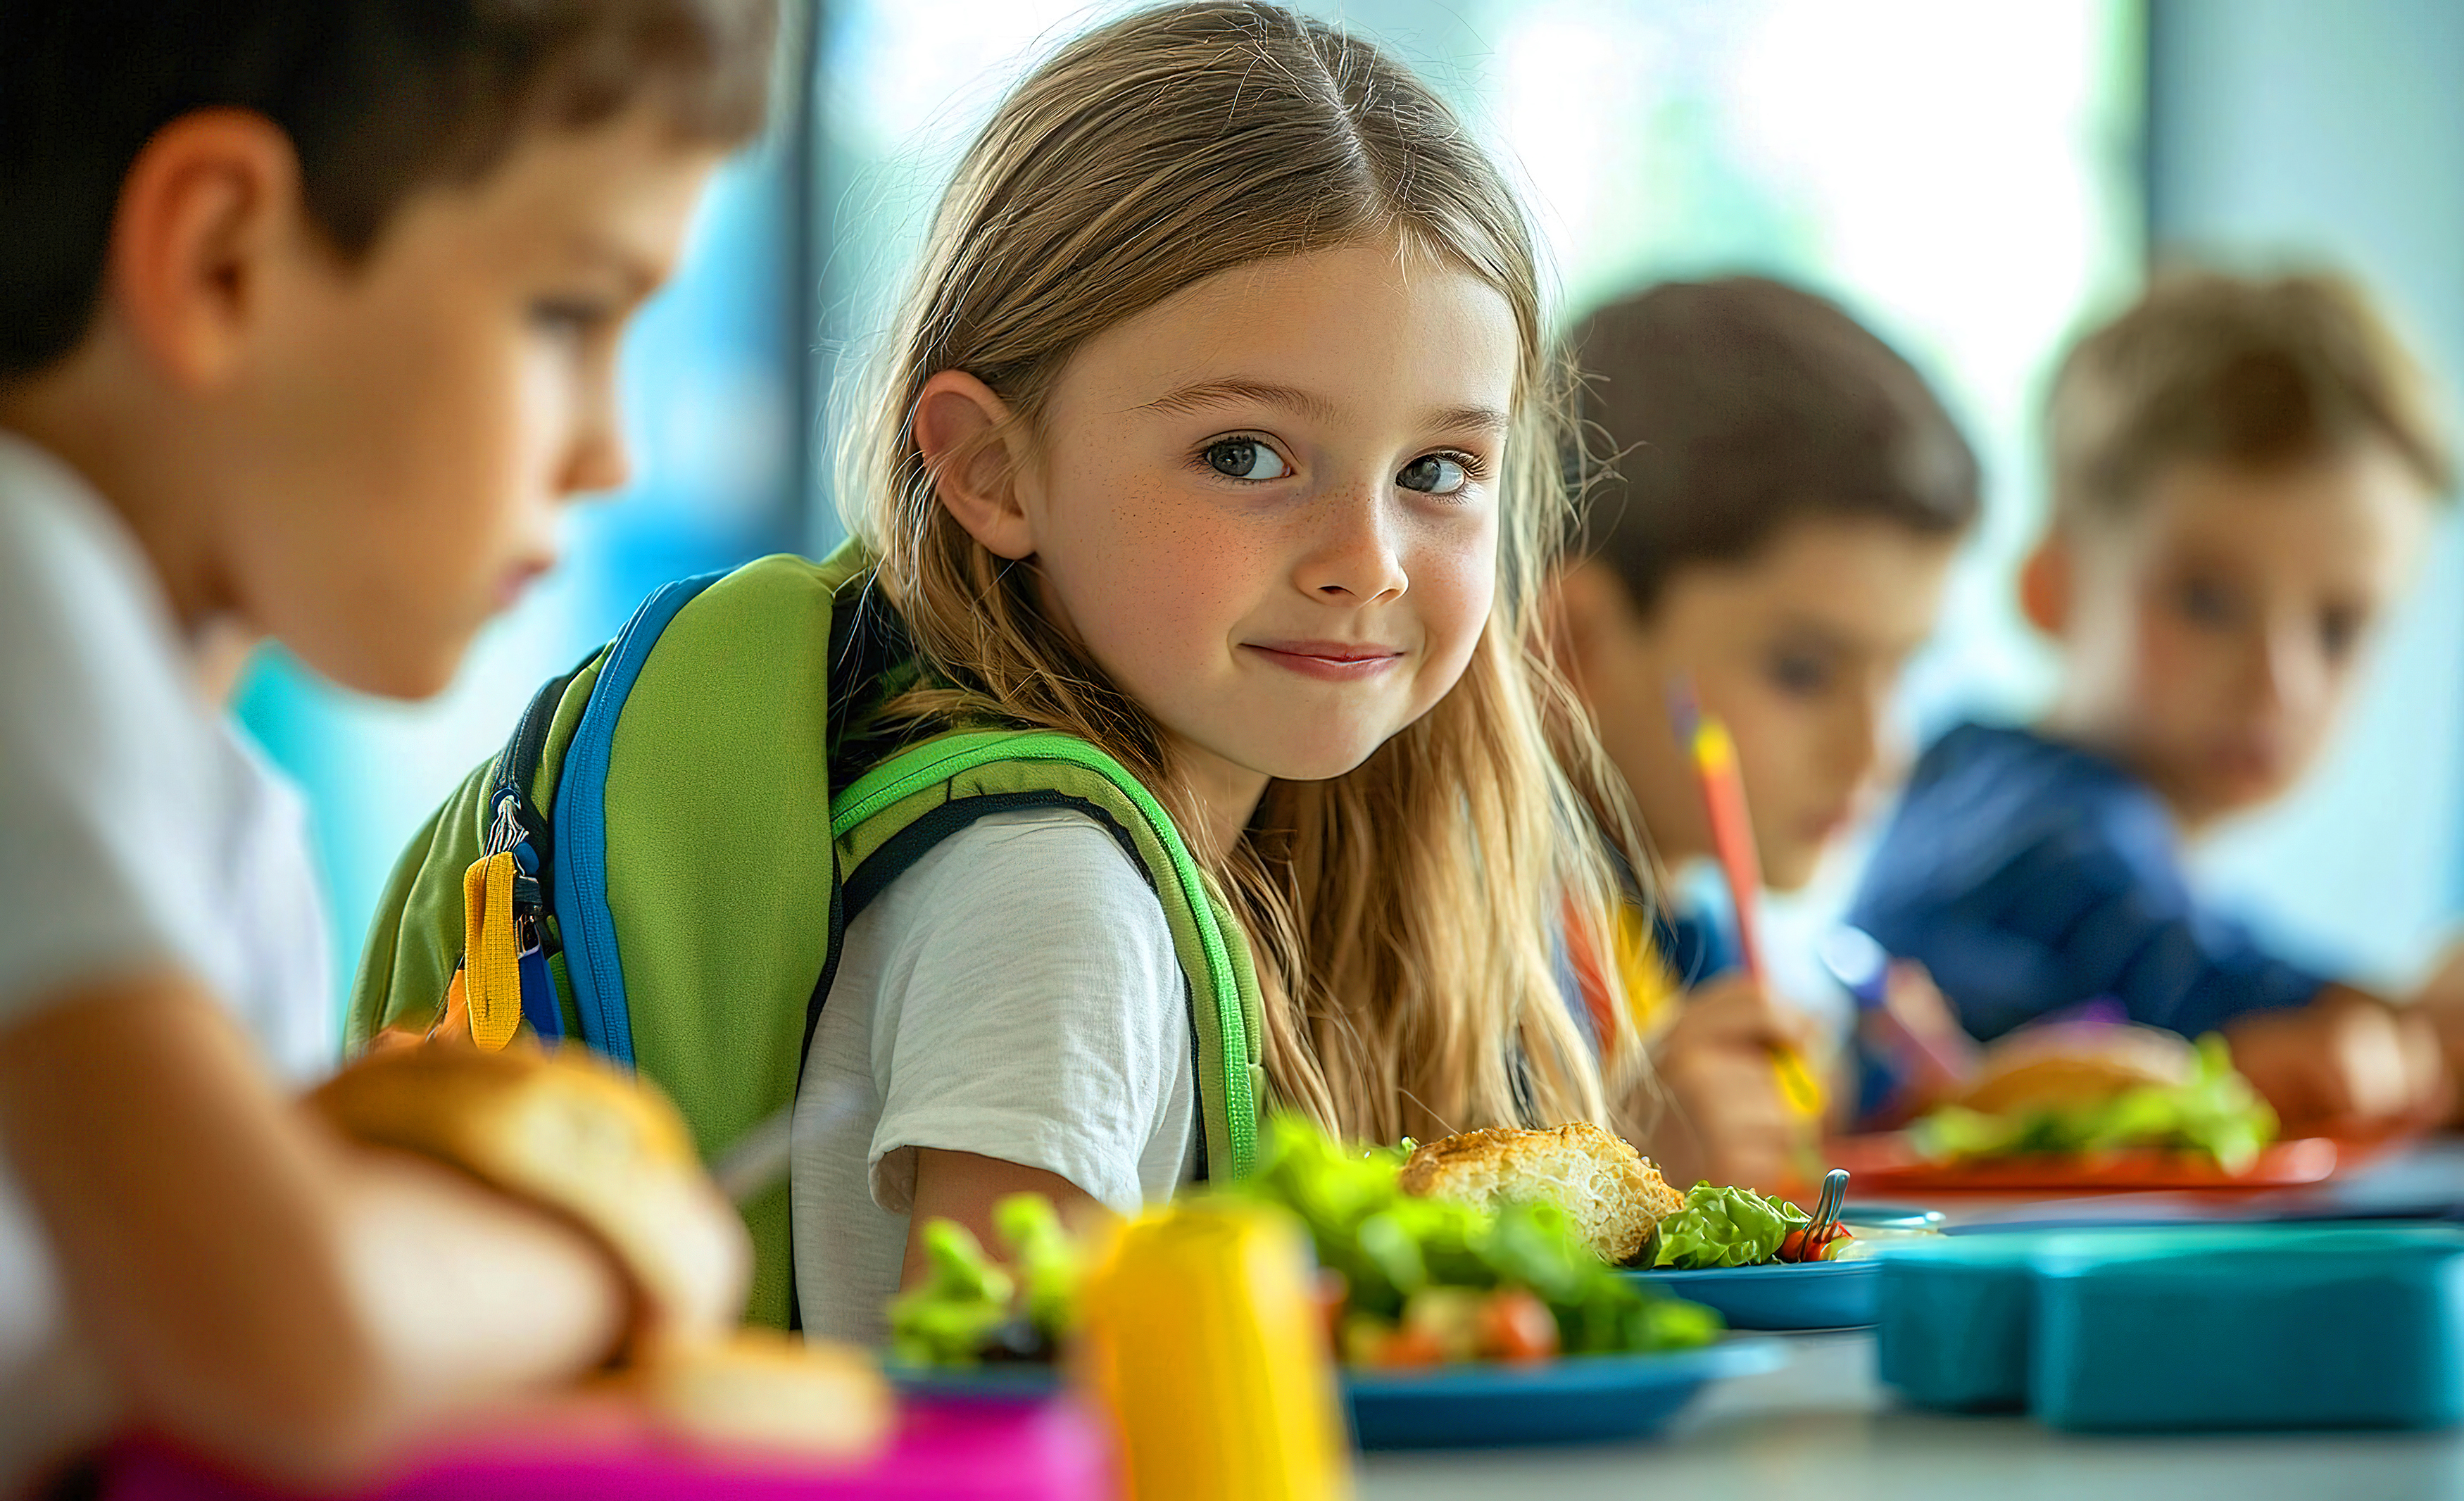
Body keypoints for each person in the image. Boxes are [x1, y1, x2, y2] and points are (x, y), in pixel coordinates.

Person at [754, 0, 1643, 1342]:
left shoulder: (1191, 862)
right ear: (991, 467)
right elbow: (1026, 1426)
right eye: (1247, 455)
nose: (1369, 560)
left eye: (1439, 472)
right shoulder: (1053, 898)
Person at [0, 1, 774, 1490]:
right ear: (222, 257)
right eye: (567, 313)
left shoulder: (203, 784)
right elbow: (293, 1339)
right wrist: (624, 1239)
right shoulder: (25, 599)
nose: (613, 449)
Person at [1850, 269, 2453, 1132]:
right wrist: (2397, 1020)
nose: (2279, 680)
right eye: (2205, 600)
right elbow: (2151, 947)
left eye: (2338, 625)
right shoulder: (2018, 823)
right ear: (2049, 588)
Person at [1546, 277, 1981, 1183]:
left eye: (1901, 670)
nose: (1875, 752)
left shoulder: (1690, 930)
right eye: (1802, 671)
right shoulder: (1497, 943)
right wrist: (1633, 1162)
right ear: (1574, 640)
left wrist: (1891, 1106)